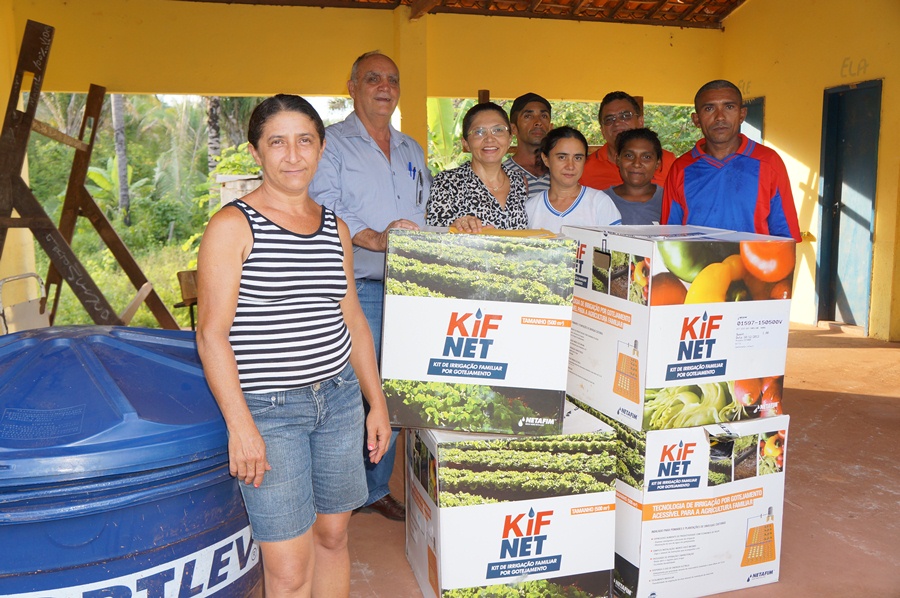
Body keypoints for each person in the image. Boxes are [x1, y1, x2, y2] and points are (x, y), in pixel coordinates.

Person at [196, 94, 391, 597]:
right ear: (257, 152)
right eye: (276, 142)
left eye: (304, 140)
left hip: (339, 400)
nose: (292, 155)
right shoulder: (232, 227)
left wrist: (377, 404)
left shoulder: (335, 228)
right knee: (286, 566)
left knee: (332, 535)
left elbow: (352, 320)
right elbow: (211, 334)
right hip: (269, 410)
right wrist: (241, 427)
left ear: (321, 148)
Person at [309, 51, 429, 521]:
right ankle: (340, 491)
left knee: (396, 392)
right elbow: (326, 205)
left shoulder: (412, 149)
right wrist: (375, 237)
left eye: (392, 80)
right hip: (355, 287)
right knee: (356, 389)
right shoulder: (331, 144)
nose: (385, 86)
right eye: (373, 78)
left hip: (410, 291)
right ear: (352, 86)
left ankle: (375, 488)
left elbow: (424, 213)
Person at [661, 80, 801, 241]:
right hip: (697, 267)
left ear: (742, 114)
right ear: (696, 119)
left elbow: (785, 237)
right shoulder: (681, 168)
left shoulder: (768, 162)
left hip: (753, 265)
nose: (720, 117)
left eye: (729, 107)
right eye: (709, 108)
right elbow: (669, 237)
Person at [426, 102, 529, 233]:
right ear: (466, 144)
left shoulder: (519, 182)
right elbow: (432, 237)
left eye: (498, 130)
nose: (489, 139)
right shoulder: (447, 182)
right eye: (479, 132)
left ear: (509, 139)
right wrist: (455, 225)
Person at [526, 126, 621, 233]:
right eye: (562, 157)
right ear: (545, 159)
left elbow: (614, 247)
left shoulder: (600, 203)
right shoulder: (530, 208)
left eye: (577, 158)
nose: (570, 166)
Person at [580, 91, 675, 191]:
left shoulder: (668, 162)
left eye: (625, 115)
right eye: (609, 119)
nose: (617, 122)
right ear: (602, 131)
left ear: (640, 122)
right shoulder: (584, 170)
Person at [606, 128, 665, 224]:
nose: (637, 164)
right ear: (618, 159)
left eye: (646, 157)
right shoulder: (601, 200)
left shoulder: (668, 201)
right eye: (629, 156)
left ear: (657, 163)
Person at [503, 92, 552, 195]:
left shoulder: (565, 172)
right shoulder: (501, 175)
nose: (538, 122)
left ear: (551, 127)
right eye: (528, 116)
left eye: (544, 116)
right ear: (513, 128)